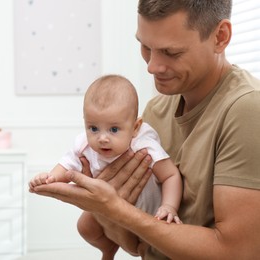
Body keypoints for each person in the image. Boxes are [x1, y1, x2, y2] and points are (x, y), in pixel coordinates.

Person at [30, 0, 260, 259]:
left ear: (220, 37)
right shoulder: (155, 112)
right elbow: (138, 246)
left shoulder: (247, 109)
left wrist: (115, 209)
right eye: (145, 46)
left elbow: (239, 252)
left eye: (171, 53)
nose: (151, 67)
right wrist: (105, 212)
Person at [29, 75, 183, 259]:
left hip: (147, 214)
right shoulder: (84, 144)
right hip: (106, 207)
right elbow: (66, 165)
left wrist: (169, 206)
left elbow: (171, 176)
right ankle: (107, 250)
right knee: (85, 227)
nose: (102, 138)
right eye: (93, 128)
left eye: (114, 129)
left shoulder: (144, 145)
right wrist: (50, 178)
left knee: (150, 244)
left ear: (135, 127)